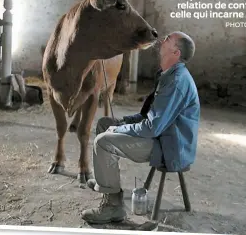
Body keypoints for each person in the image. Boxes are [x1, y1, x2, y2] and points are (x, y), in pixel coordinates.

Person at [82, 31, 200, 224]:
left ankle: (113, 207)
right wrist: (123, 123)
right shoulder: (168, 75)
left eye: (168, 39)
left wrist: (119, 130)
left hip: (170, 148)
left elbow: (152, 128)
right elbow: (149, 116)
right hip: (162, 136)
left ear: (176, 53)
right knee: (106, 123)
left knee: (103, 142)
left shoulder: (177, 82)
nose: (163, 39)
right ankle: (107, 182)